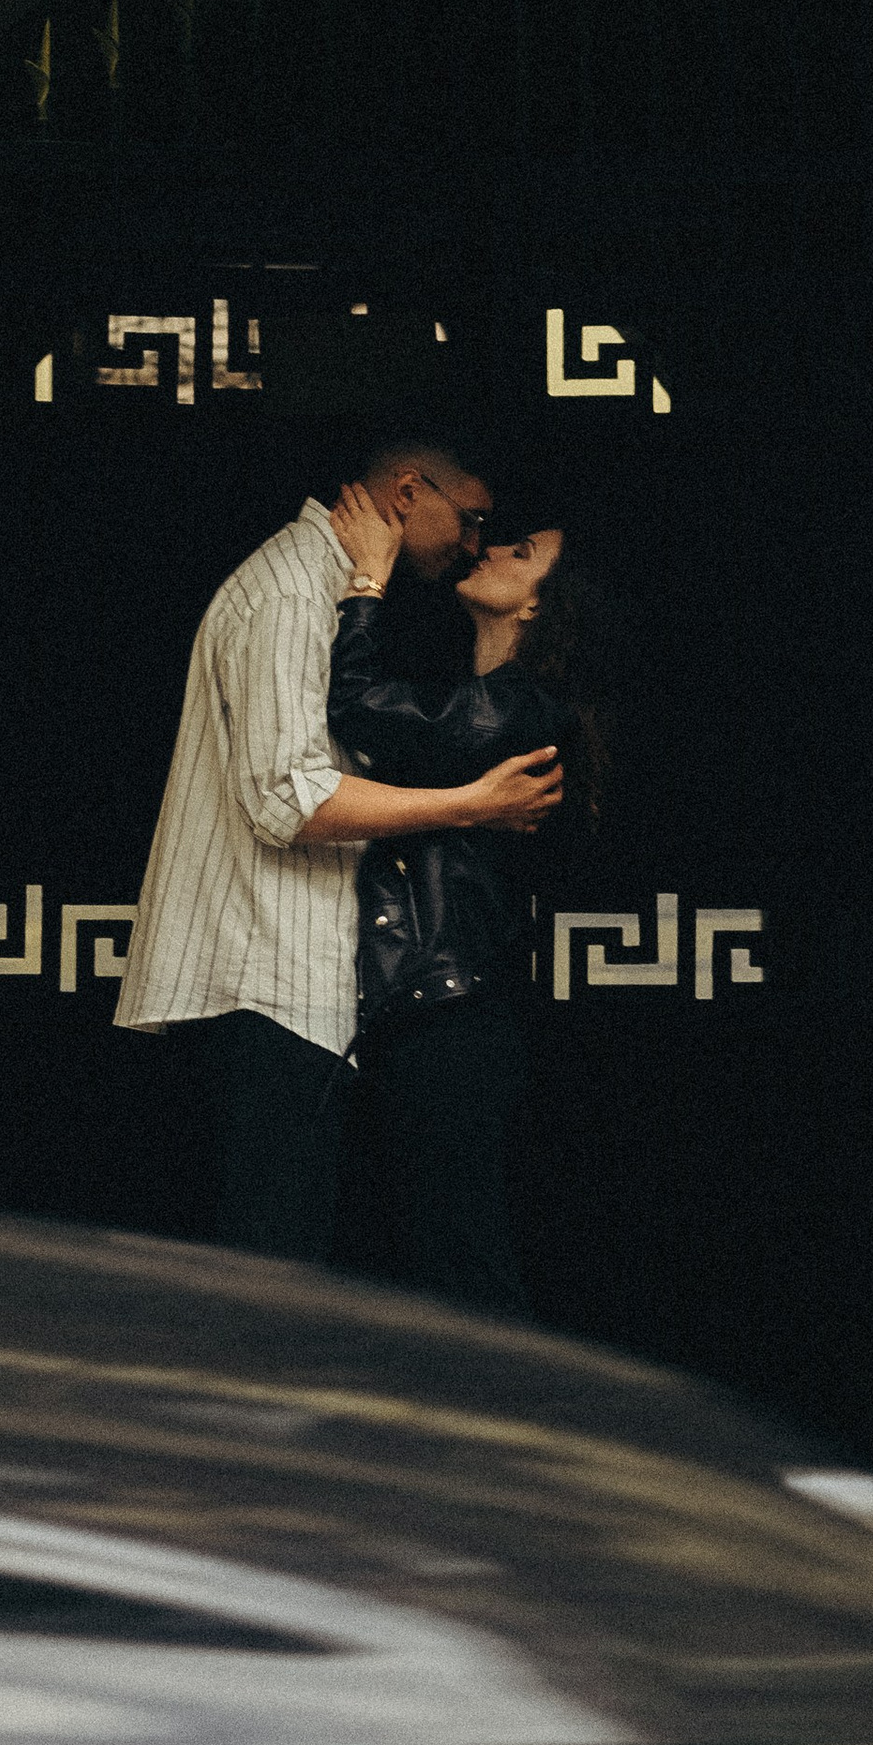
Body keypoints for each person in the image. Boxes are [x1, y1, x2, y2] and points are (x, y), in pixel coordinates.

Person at [113, 435, 563, 1262]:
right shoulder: (293, 591)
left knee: (336, 1260)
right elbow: (293, 797)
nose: (475, 542)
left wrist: (366, 589)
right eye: (471, 519)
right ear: (406, 495)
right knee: (281, 1263)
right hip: (268, 977)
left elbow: (354, 732)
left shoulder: (351, 604)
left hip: (333, 989)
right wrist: (468, 805)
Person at [326, 500, 601, 1314]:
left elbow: (360, 709)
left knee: (460, 1263)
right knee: (439, 1254)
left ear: (537, 604)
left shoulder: (516, 708)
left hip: (450, 1019)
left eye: (522, 550)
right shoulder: (484, 702)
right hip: (441, 1015)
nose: (492, 551)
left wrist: (367, 580)